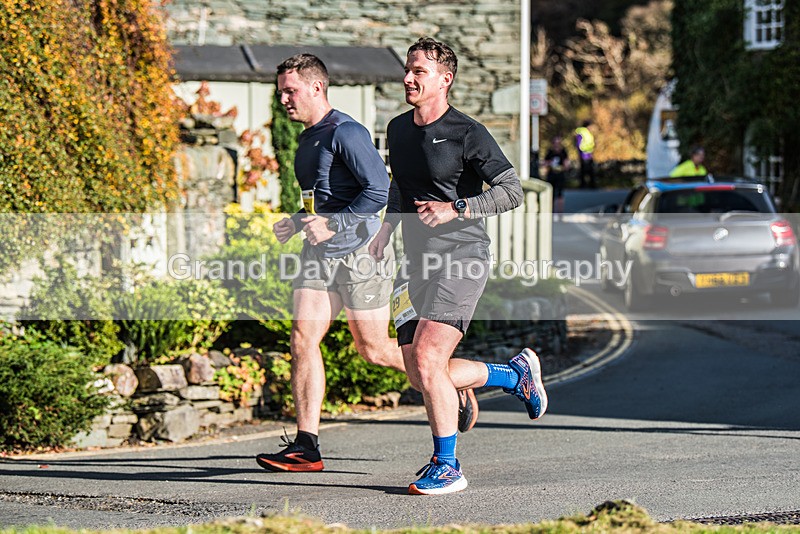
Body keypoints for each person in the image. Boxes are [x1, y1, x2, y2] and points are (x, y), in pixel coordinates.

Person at [256, 54, 478, 473]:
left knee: (374, 351)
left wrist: (334, 223)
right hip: (318, 255)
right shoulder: (307, 138)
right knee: (303, 337)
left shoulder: (346, 132)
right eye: (280, 91)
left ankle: (454, 383)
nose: (284, 98)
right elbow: (327, 197)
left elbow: (378, 191)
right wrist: (299, 220)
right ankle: (307, 446)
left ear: (317, 87)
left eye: (291, 90)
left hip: (361, 256)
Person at [369, 37, 548, 495]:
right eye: (408, 70)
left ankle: (446, 466)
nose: (408, 78)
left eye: (419, 71)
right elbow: (400, 187)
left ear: (444, 80)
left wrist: (457, 208)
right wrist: (386, 231)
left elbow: (512, 191)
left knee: (430, 360)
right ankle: (514, 375)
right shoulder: (397, 128)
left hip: (462, 256)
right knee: (419, 373)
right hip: (415, 263)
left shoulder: (467, 132)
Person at [544, 135, 570, 219]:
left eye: (558, 143)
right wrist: (549, 163)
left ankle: (560, 214)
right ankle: (550, 213)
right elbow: (545, 163)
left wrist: (563, 167)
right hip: (551, 175)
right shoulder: (550, 152)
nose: (556, 145)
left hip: (560, 175)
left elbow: (567, 164)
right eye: (555, 143)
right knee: (551, 194)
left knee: (560, 195)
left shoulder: (563, 152)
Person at [574, 120, 596, 188]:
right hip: (584, 154)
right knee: (585, 170)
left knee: (589, 170)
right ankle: (584, 185)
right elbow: (579, 144)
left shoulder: (586, 132)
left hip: (588, 153)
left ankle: (590, 184)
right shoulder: (583, 132)